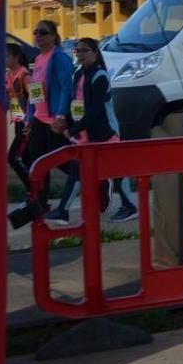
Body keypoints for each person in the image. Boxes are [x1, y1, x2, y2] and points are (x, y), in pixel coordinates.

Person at [48, 37, 115, 224]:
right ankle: (63, 211)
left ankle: (110, 190)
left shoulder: (100, 76)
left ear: (95, 52)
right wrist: (65, 122)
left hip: (102, 133)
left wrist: (74, 129)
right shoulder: (78, 74)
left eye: (85, 50)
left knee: (110, 175)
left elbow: (95, 111)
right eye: (78, 51)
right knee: (76, 172)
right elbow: (75, 103)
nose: (80, 54)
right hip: (83, 133)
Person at [23, 20, 75, 211]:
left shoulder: (59, 58)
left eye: (43, 33)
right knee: (36, 161)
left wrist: (61, 115)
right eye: (36, 32)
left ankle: (91, 179)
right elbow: (34, 90)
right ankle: (41, 202)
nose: (38, 36)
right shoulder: (38, 59)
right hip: (39, 118)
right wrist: (29, 116)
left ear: (54, 36)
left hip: (54, 119)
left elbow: (66, 88)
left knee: (62, 160)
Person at [5, 42, 32, 191]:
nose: (4, 58)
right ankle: (35, 194)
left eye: (7, 55)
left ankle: (33, 188)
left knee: (13, 157)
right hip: (17, 121)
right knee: (26, 159)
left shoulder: (25, 75)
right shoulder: (7, 75)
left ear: (17, 57)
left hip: (26, 123)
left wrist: (31, 120)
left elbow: (37, 97)